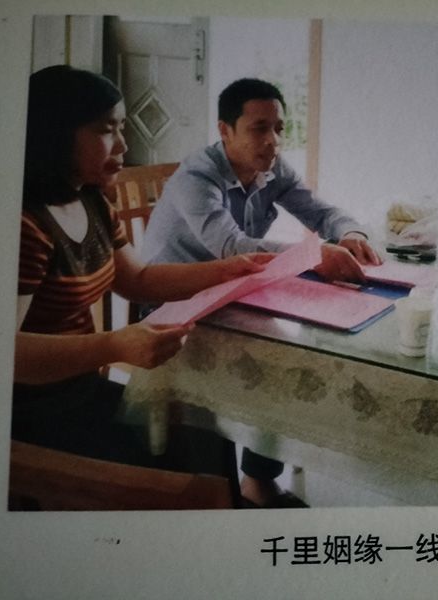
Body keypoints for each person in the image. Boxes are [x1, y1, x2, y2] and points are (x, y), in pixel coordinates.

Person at [13, 65, 272, 473]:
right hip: (31, 411)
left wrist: (230, 270)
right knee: (189, 463)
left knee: (209, 442)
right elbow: (4, 354)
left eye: (121, 128)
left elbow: (138, 279)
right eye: (107, 130)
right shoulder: (27, 227)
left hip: (80, 389)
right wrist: (115, 346)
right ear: (55, 135)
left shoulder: (92, 202)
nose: (123, 144)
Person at [142, 78, 382, 507]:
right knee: (267, 358)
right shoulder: (197, 176)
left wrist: (351, 232)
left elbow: (321, 211)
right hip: (173, 296)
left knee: (289, 352)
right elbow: (232, 247)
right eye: (259, 128)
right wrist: (313, 255)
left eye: (278, 128)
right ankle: (212, 489)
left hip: (232, 287)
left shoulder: (272, 168)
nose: (272, 141)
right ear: (224, 130)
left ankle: (257, 480)